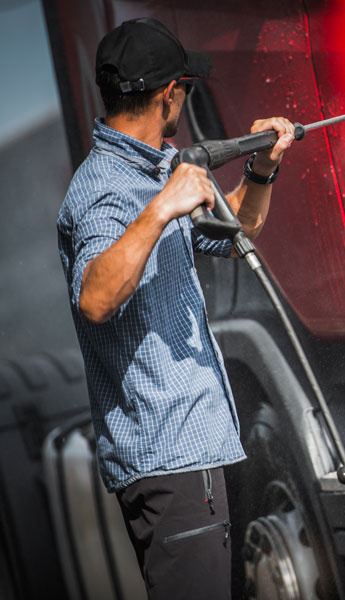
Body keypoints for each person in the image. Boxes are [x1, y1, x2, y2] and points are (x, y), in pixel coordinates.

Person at [57, 17, 294, 600]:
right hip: (169, 465)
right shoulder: (104, 189)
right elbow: (94, 297)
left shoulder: (154, 168)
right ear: (170, 95)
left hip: (199, 452)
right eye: (185, 91)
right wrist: (161, 208)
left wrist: (262, 165)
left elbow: (238, 227)